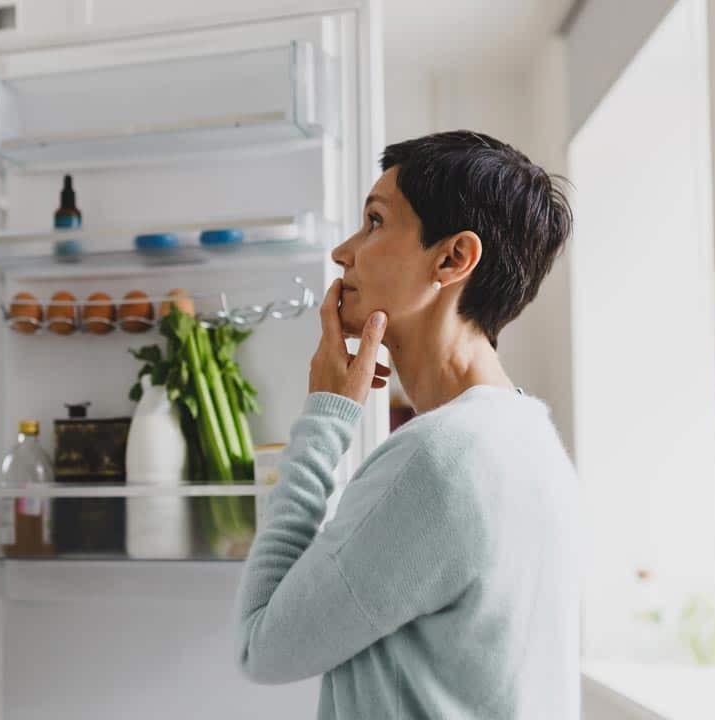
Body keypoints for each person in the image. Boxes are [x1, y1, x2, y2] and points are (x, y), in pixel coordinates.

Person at [233, 130, 578, 719]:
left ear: (452, 259)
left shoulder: (438, 461)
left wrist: (324, 420)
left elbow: (260, 646)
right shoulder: (531, 435)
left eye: (373, 221)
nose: (343, 252)